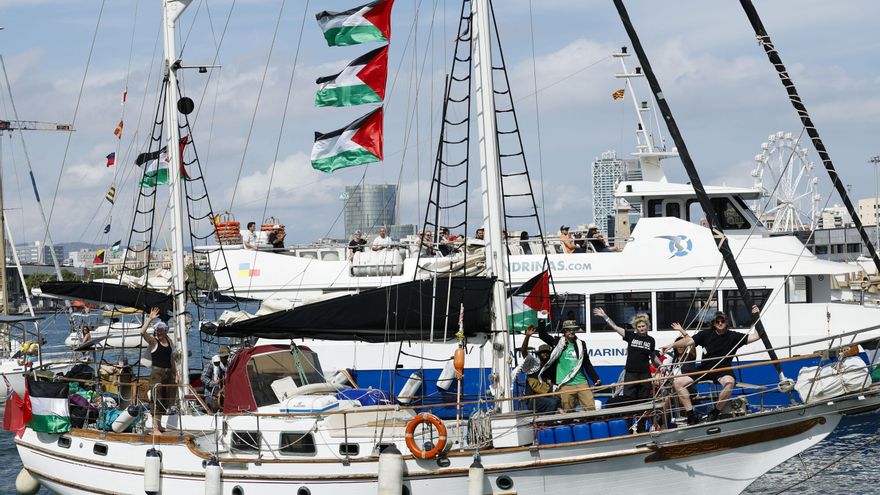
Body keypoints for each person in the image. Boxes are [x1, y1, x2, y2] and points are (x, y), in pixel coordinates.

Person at [660, 306, 761, 424]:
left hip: (723, 370)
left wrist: (756, 316)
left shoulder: (734, 336)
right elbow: (688, 341)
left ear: (726, 322)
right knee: (678, 383)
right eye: (717, 321)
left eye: (722, 321)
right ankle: (691, 415)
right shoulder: (706, 334)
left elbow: (756, 336)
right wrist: (672, 345)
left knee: (730, 383)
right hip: (705, 369)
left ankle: (715, 412)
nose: (720, 323)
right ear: (713, 323)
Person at [593, 308, 659, 401]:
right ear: (636, 328)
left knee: (644, 398)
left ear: (647, 326)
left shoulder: (651, 340)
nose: (641, 328)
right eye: (639, 326)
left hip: (644, 373)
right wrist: (605, 316)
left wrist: (661, 366)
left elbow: (653, 356)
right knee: (629, 397)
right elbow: (615, 327)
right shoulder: (631, 336)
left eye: (643, 326)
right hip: (631, 373)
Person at [537, 320, 602, 412]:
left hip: (581, 382)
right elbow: (542, 335)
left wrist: (595, 378)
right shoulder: (557, 342)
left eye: (573, 329)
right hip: (565, 383)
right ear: (564, 331)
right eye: (568, 330)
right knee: (568, 411)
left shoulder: (581, 343)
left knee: (591, 408)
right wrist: (542, 319)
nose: (571, 332)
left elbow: (586, 363)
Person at [141, 307, 177, 432]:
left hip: (168, 373)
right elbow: (142, 332)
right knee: (156, 398)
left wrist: (176, 373)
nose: (159, 332)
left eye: (161, 330)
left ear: (165, 331)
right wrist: (149, 319)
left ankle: (160, 425)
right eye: (157, 330)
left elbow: (172, 359)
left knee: (165, 398)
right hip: (157, 373)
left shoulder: (169, 341)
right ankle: (155, 427)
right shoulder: (153, 342)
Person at [518, 324, 561, 413]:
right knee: (552, 403)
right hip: (532, 399)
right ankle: (547, 421)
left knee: (558, 400)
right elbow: (524, 351)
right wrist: (527, 336)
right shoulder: (533, 364)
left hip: (544, 396)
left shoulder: (549, 367)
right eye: (542, 352)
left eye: (547, 352)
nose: (545, 354)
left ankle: (551, 419)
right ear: (538, 354)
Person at [201, 345, 230, 411]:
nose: (226, 358)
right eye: (224, 357)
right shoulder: (211, 363)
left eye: (227, 357)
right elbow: (203, 377)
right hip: (211, 395)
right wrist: (213, 383)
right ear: (220, 356)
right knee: (214, 410)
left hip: (222, 395)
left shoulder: (226, 365)